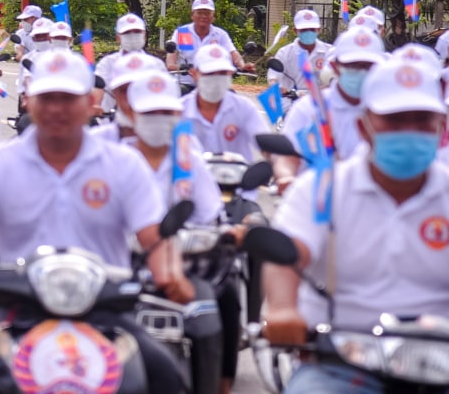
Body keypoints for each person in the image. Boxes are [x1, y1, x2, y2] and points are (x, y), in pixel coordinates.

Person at [0, 49, 192, 394]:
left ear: (89, 102)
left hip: (105, 308)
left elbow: (155, 234)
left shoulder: (124, 164)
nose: (57, 108)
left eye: (68, 98)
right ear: (28, 100)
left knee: (165, 372)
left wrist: (169, 273)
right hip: (15, 308)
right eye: (48, 97)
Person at [262, 56, 449, 394]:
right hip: (342, 363)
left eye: (421, 120)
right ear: (365, 127)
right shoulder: (321, 188)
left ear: (441, 128)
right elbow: (286, 255)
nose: (409, 131)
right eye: (394, 120)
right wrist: (283, 309)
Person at [123, 71, 229, 394]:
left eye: (165, 112)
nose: (158, 120)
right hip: (119, 272)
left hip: (183, 269)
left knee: (208, 325)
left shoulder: (190, 161)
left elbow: (212, 216)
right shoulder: (114, 158)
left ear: (178, 114)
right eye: (149, 112)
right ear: (131, 112)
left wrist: (226, 233)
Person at [273, 27, 387, 190]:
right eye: (353, 65)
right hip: (315, 201)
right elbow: (287, 155)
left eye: (368, 66)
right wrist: (286, 177)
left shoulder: (390, 112)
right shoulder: (308, 108)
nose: (362, 72)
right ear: (335, 65)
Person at [180, 45, 271, 167]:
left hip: (239, 182)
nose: (216, 78)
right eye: (210, 73)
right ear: (194, 74)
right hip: (192, 182)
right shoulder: (179, 111)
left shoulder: (244, 108)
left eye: (222, 73)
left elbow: (266, 144)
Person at [167, 0, 254, 88]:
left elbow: (233, 53)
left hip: (213, 86)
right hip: (186, 84)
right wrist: (180, 68)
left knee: (230, 96)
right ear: (192, 15)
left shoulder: (220, 34)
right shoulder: (182, 33)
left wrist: (242, 65)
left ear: (213, 17)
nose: (204, 16)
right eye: (200, 13)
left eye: (208, 13)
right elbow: (170, 63)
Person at [89, 51, 168, 143]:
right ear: (115, 93)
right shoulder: (97, 139)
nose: (131, 96)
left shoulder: (177, 141)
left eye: (140, 88)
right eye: (124, 90)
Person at [93, 13, 149, 112]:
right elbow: (98, 87)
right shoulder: (107, 63)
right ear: (118, 37)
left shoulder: (156, 64)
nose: (132, 36)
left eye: (137, 31)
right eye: (127, 33)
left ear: (144, 34)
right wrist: (96, 105)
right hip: (111, 117)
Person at [270, 9, 333, 95]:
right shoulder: (285, 53)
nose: (308, 32)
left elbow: (337, 78)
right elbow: (273, 76)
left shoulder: (330, 52)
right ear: (295, 31)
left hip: (322, 100)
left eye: (312, 29)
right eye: (304, 30)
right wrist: (278, 88)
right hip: (292, 100)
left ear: (319, 30)